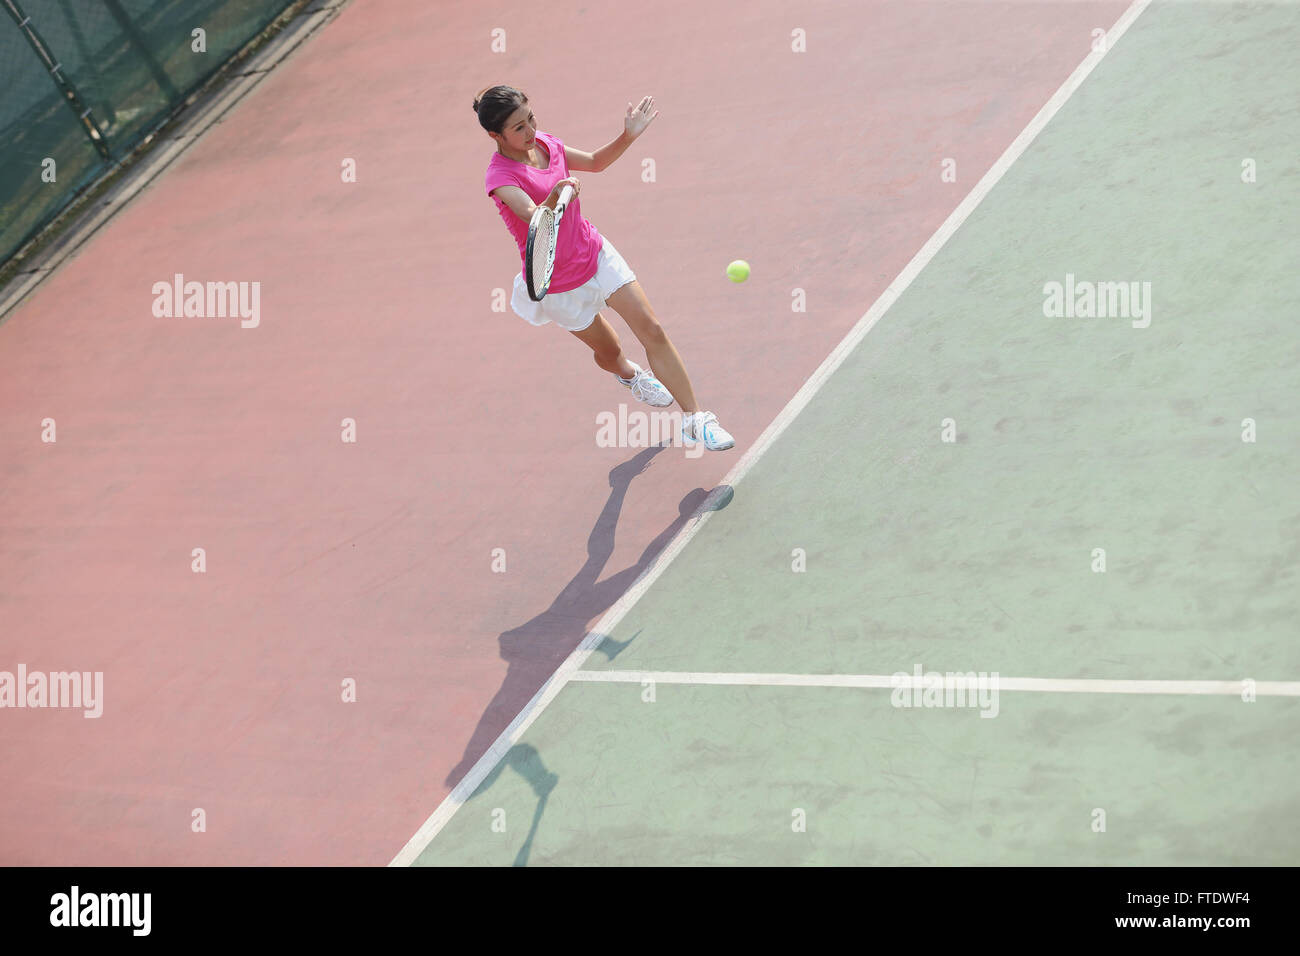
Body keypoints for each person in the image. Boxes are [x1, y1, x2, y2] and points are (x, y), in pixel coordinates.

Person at [475, 84, 735, 451]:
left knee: (652, 329)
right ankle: (629, 375)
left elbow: (596, 162)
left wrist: (627, 136)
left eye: (530, 118)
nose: (530, 130)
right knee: (610, 352)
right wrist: (558, 193)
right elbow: (534, 216)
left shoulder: (546, 144)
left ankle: (696, 419)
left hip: (595, 254)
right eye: (518, 128)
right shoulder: (500, 177)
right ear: (494, 135)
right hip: (557, 284)